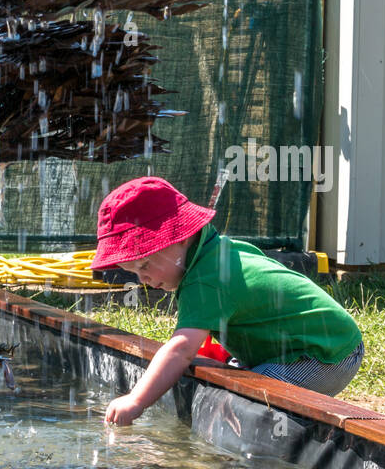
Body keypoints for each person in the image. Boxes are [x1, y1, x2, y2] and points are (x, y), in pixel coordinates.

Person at [90, 176, 364, 426]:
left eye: (145, 265)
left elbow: (180, 351)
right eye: (135, 272)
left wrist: (136, 401)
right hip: (314, 345)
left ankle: (296, 436)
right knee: (231, 383)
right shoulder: (216, 252)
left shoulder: (206, 278)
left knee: (248, 404)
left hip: (325, 356)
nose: (143, 279)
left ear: (181, 238)